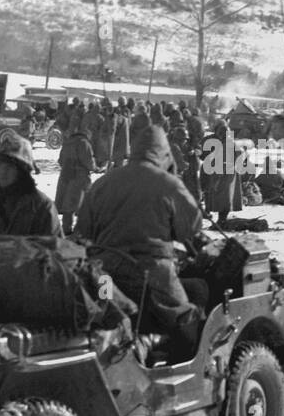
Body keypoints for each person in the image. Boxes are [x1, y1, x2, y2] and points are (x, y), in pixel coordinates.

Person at [75, 125, 207, 359]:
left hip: (105, 275)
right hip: (151, 274)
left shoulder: (104, 182)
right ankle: (150, 345)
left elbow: (83, 230)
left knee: (105, 311)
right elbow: (192, 227)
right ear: (164, 153)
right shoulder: (167, 183)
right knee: (185, 320)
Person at [55, 121, 96, 235]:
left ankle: (66, 228)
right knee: (81, 203)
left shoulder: (68, 142)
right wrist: (94, 167)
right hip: (79, 178)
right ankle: (81, 230)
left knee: (68, 205)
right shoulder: (84, 143)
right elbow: (89, 162)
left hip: (65, 176)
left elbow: (60, 160)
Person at [200, 119, 242, 226]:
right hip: (221, 171)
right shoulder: (224, 142)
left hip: (224, 172)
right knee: (220, 196)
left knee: (223, 196)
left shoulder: (228, 143)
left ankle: (221, 220)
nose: (222, 134)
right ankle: (218, 219)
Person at [110, 102, 131, 169]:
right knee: (119, 163)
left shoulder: (118, 119)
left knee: (115, 163)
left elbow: (114, 130)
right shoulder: (126, 119)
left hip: (117, 143)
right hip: (124, 143)